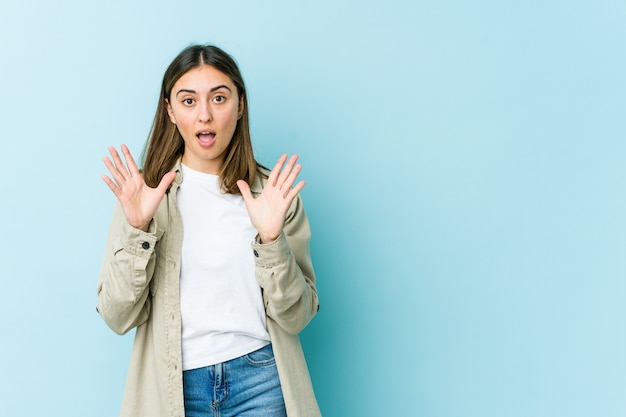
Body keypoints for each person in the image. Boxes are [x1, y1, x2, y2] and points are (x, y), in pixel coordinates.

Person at [97, 44, 321, 417]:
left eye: (219, 98)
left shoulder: (274, 195)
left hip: (261, 381)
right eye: (188, 101)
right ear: (169, 110)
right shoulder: (145, 197)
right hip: (174, 387)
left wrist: (271, 241)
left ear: (240, 105)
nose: (205, 115)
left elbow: (297, 316)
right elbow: (116, 316)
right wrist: (138, 230)